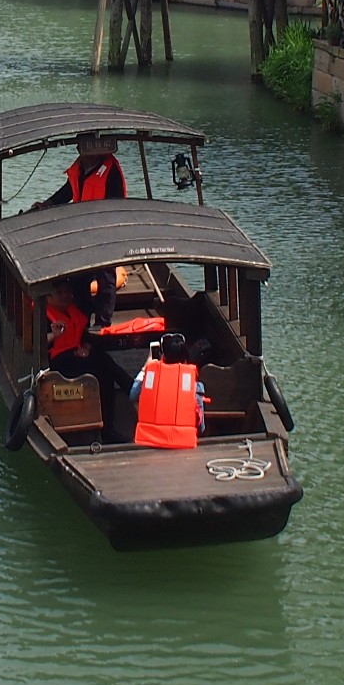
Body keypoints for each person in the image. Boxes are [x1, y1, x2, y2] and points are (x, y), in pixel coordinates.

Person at [31, 135, 128, 324]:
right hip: (81, 233)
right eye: (82, 148)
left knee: (106, 277)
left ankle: (102, 323)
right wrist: (48, 204)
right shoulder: (80, 167)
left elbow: (116, 204)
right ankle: (82, 319)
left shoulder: (111, 171)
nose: (85, 153)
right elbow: (68, 190)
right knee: (78, 277)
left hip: (105, 232)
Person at [41, 279, 134, 406]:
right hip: (56, 363)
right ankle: (130, 388)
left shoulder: (73, 312)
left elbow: (85, 337)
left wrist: (86, 347)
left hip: (76, 356)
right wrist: (53, 335)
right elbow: (36, 346)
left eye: (67, 291)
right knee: (97, 368)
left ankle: (128, 391)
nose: (64, 296)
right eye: (59, 293)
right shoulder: (42, 317)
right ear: (48, 298)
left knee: (104, 369)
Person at [131, 334, 207, 449]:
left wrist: (145, 367)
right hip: (183, 443)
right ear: (185, 357)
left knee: (138, 400)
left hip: (150, 440)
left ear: (163, 356)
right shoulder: (194, 385)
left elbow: (132, 395)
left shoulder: (151, 377)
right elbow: (201, 427)